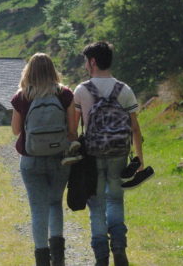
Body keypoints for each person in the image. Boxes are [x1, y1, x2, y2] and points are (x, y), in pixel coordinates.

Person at [73, 42, 147, 266]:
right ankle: (119, 247)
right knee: (115, 199)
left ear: (93, 62)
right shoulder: (124, 90)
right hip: (118, 152)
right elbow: (135, 128)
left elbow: (73, 129)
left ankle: (101, 257)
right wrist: (139, 159)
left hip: (92, 154)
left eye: (86, 61)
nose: (85, 65)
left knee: (96, 204)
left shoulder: (82, 90)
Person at [11, 53, 78, 266]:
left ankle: (42, 260)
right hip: (59, 158)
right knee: (54, 203)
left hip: (31, 161)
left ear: (29, 71)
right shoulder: (65, 94)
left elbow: (15, 130)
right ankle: (59, 258)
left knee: (37, 209)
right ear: (52, 70)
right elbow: (72, 130)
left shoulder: (22, 97)